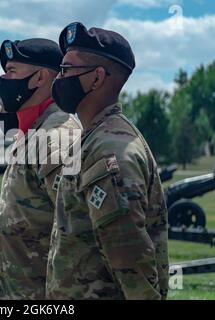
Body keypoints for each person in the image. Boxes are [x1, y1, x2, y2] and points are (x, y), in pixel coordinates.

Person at [46, 22, 169, 300]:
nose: (59, 78)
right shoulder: (95, 138)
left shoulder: (110, 149)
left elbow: (131, 260)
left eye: (67, 70)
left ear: (97, 78)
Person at [0, 38, 81, 299]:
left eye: (11, 71)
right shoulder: (34, 132)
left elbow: (78, 232)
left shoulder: (57, 136)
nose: (2, 80)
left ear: (40, 77)